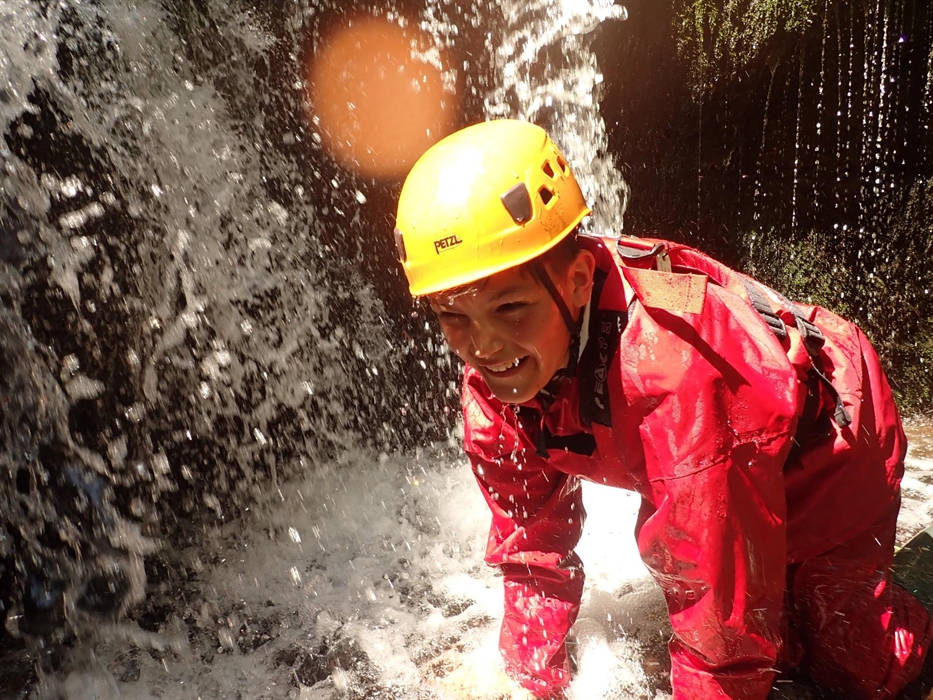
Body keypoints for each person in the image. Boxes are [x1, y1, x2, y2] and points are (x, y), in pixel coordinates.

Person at [392, 119, 933, 699]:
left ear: (577, 281)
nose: (484, 346)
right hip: (721, 444)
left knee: (848, 658)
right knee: (771, 629)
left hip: (834, 438)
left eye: (511, 308)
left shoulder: (670, 377)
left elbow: (718, 625)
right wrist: (531, 685)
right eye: (453, 316)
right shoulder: (497, 382)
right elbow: (531, 552)